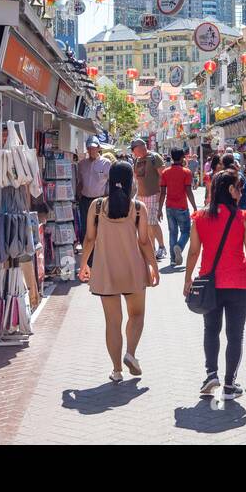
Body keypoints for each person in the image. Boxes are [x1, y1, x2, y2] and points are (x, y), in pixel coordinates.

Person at [182, 170, 246, 401]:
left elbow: (193, 252)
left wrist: (187, 279)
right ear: (230, 190)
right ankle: (229, 385)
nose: (241, 193)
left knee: (211, 330)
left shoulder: (200, 217)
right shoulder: (243, 217)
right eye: (239, 188)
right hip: (239, 284)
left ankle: (211, 374)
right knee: (235, 334)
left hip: (210, 284)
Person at [78, 162, 159, 382]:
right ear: (131, 180)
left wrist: (83, 264)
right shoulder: (138, 208)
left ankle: (116, 371)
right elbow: (144, 242)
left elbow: (89, 239)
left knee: (112, 322)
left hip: (105, 272)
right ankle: (131, 354)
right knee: (137, 315)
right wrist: (154, 266)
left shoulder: (96, 206)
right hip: (133, 270)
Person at [132, 138, 167, 261]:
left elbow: (164, 176)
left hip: (153, 194)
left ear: (141, 147)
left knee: (152, 222)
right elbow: (136, 178)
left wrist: (161, 194)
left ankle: (162, 247)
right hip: (141, 195)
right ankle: (151, 249)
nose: (133, 153)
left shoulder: (154, 157)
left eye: (134, 150)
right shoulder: (137, 160)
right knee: (145, 224)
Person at [160, 147, 195, 266]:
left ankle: (173, 259)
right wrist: (195, 207)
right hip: (182, 207)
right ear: (182, 158)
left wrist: (159, 209)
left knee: (172, 232)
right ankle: (179, 247)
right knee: (186, 231)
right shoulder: (186, 172)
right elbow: (189, 191)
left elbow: (163, 192)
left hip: (169, 206)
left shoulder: (165, 172)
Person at [75, 136, 112, 249]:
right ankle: (87, 249)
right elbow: (80, 181)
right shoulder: (82, 164)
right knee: (85, 226)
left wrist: (107, 198)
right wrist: (78, 194)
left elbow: (110, 182)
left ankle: (100, 249)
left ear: (99, 148)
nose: (91, 150)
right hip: (85, 200)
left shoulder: (106, 163)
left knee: (100, 225)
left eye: (94, 148)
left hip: (100, 200)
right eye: (89, 148)